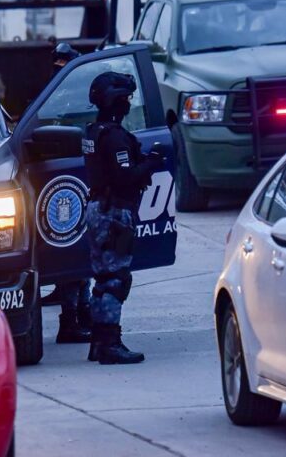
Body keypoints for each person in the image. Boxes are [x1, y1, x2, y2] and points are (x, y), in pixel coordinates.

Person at [83, 72, 164, 364]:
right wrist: (152, 163)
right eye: (126, 98)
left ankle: (98, 343)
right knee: (115, 279)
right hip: (114, 213)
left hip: (99, 209)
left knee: (103, 278)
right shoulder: (115, 137)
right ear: (114, 100)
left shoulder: (94, 131)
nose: (129, 103)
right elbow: (124, 177)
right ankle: (110, 345)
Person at [40, 42, 93, 344]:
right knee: (72, 250)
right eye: (56, 64)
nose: (58, 69)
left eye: (64, 64)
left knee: (81, 252)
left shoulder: (79, 97)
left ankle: (81, 312)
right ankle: (72, 318)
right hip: (61, 183)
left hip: (78, 180)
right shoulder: (55, 95)